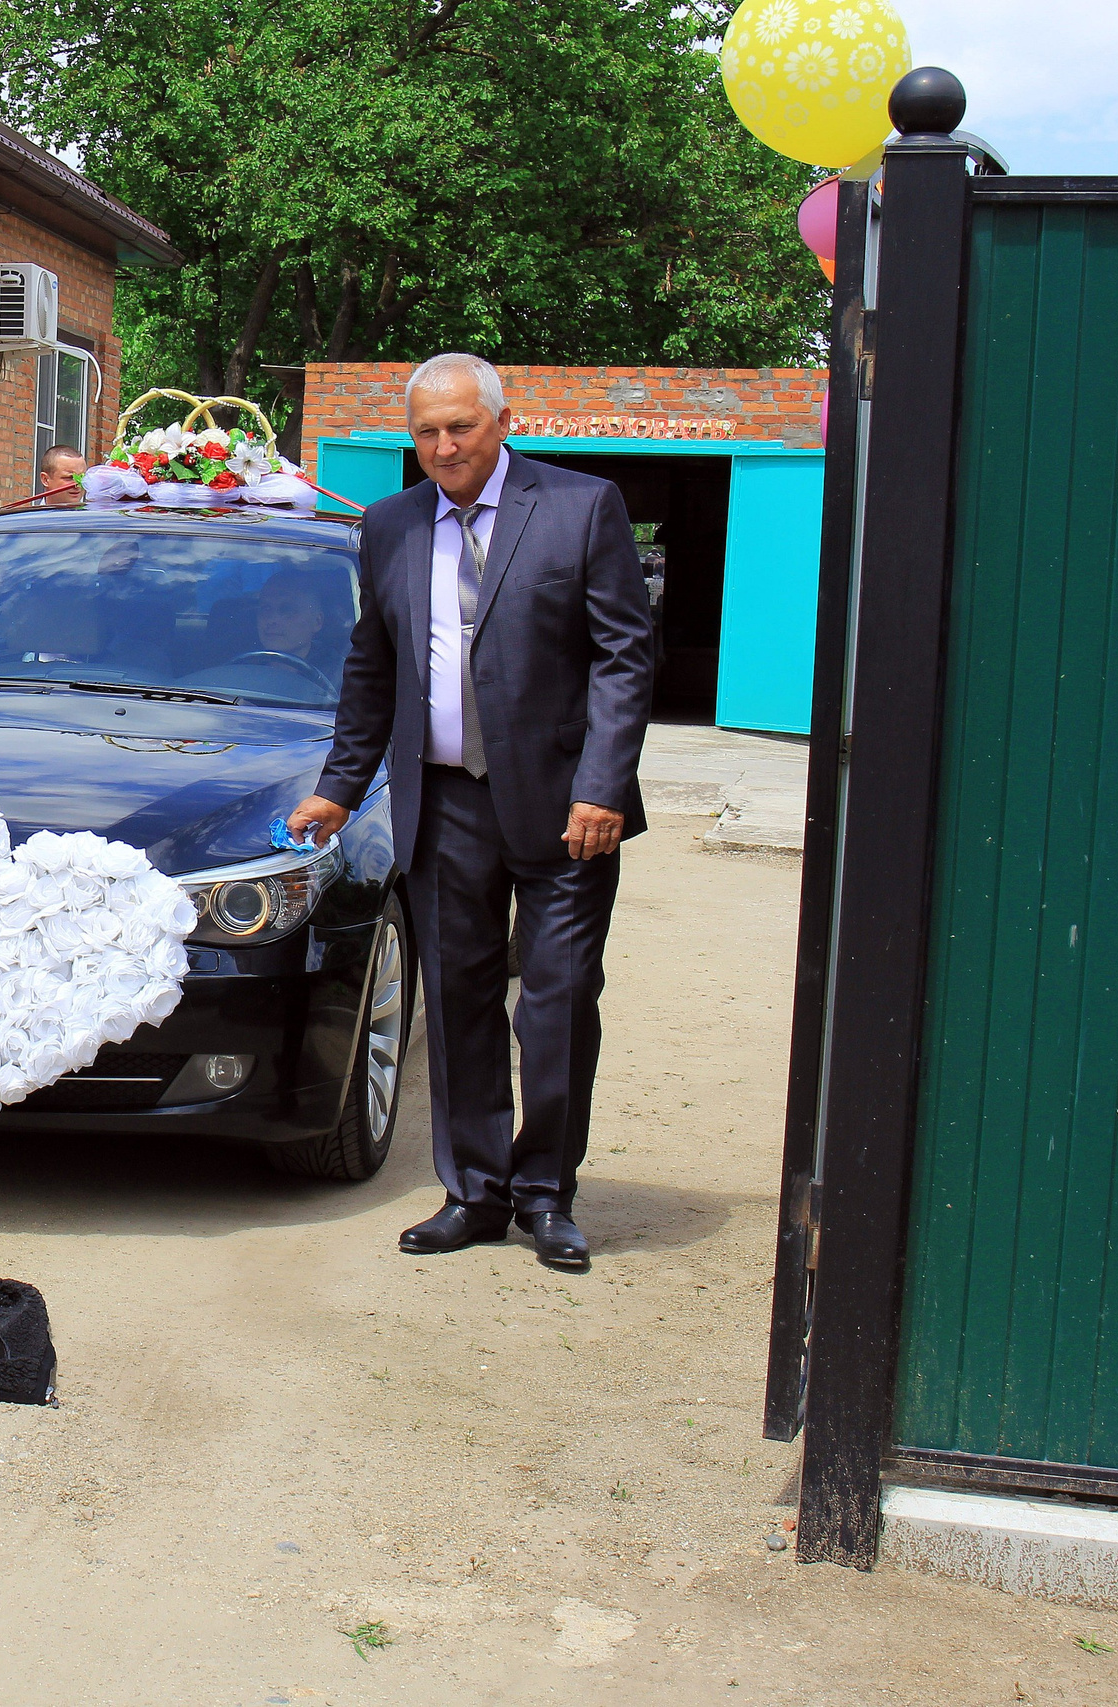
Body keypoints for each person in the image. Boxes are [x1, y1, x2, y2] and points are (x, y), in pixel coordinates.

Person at [285, 353, 652, 1274]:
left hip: (568, 810)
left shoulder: (580, 507)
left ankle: (547, 1194)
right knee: (455, 1003)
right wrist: (340, 782)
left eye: (460, 427)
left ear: (500, 421)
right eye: (427, 431)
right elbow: (373, 666)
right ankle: (475, 1191)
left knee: (558, 1006)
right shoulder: (391, 524)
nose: (443, 446)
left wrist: (603, 783)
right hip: (443, 802)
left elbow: (623, 655)